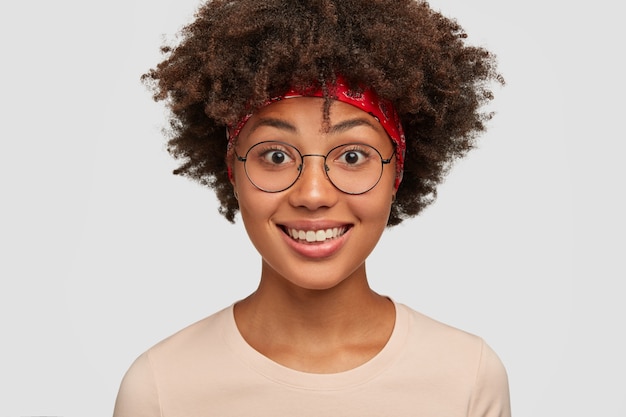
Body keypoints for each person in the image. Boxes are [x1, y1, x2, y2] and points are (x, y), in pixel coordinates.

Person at [113, 0, 510, 415]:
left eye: (353, 156)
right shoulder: (162, 387)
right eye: (276, 156)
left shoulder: (466, 376)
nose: (314, 194)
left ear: (397, 172)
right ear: (233, 169)